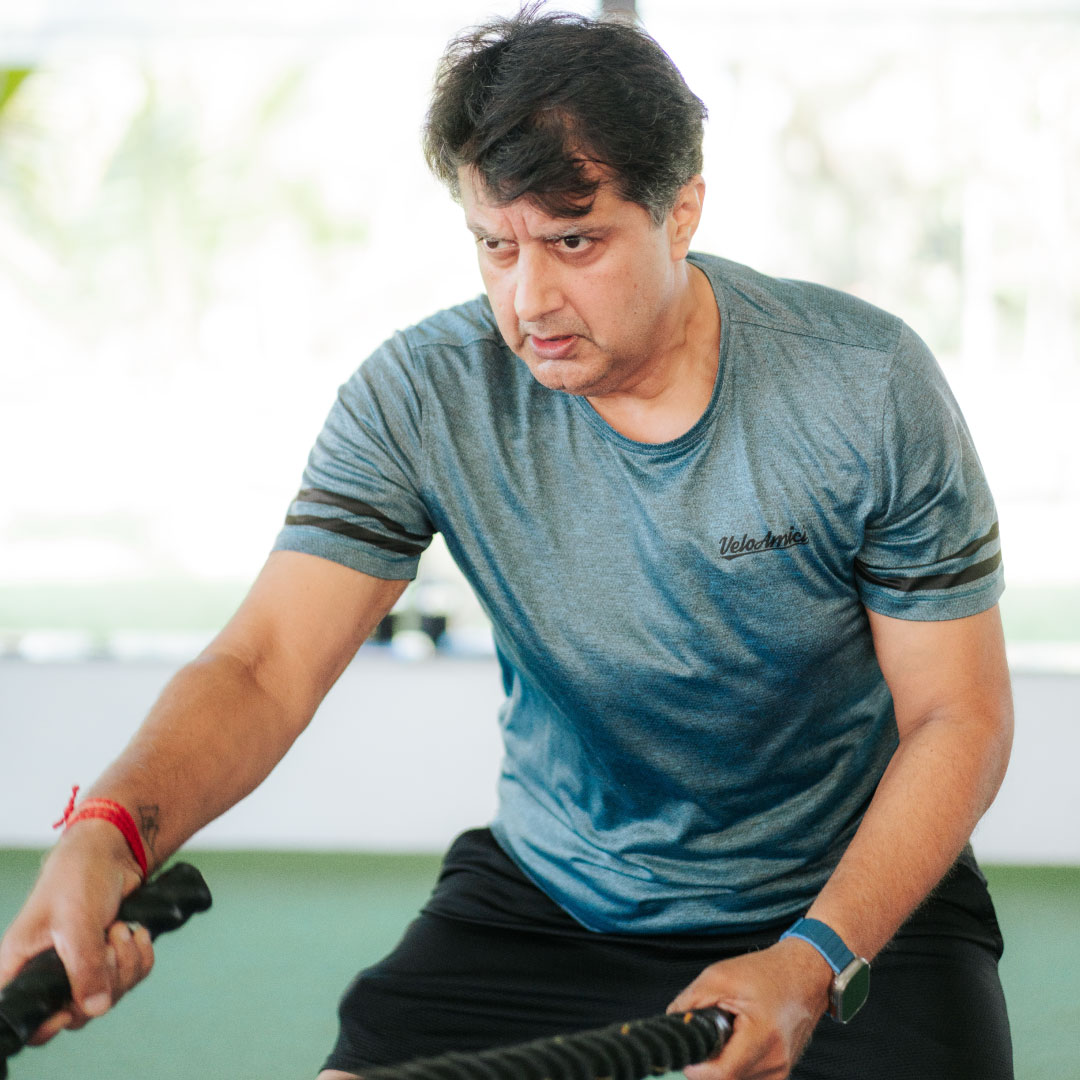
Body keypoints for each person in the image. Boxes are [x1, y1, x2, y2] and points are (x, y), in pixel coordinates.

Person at [0, 8, 1014, 1080]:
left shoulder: (862, 387)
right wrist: (106, 834)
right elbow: (264, 666)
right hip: (555, 895)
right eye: (497, 245)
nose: (529, 300)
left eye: (575, 242)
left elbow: (958, 714)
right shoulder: (425, 395)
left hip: (838, 891)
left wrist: (814, 958)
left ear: (680, 213)